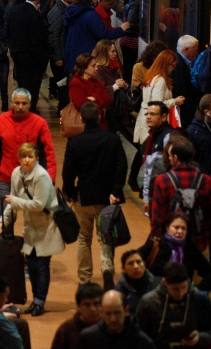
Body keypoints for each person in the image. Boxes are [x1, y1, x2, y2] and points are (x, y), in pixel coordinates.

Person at [62, 102, 127, 289]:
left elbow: (68, 172)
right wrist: (115, 191)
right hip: (107, 198)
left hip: (84, 197)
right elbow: (121, 166)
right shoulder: (112, 140)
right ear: (99, 117)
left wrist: (70, 192)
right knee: (106, 237)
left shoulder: (75, 143)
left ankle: (84, 279)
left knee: (84, 238)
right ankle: (107, 271)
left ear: (81, 118)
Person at [0, 142, 64, 316]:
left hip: (46, 227)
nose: (27, 160)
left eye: (30, 157)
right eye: (24, 157)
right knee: (33, 265)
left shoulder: (41, 176)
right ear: (19, 158)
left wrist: (14, 201)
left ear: (37, 158)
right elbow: (11, 203)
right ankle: (36, 300)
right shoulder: (15, 174)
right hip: (30, 227)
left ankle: (39, 302)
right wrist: (3, 221)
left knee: (42, 265)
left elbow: (38, 204)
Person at [0, 89, 58, 219]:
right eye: (17, 103)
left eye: (24, 103)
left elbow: (48, 154)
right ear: (11, 103)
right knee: (5, 219)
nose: (20, 107)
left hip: (34, 180)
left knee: (36, 218)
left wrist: (50, 181)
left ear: (30, 104)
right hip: (6, 179)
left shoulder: (40, 123)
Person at [149, 135, 211, 253]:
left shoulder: (163, 180)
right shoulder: (205, 180)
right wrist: (208, 237)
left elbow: (157, 218)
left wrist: (158, 240)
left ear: (175, 158)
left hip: (170, 246)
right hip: (199, 245)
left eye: (170, 156)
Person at [135, 262, 211, 349]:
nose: (180, 293)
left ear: (187, 281)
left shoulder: (201, 300)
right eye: (175, 289)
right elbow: (138, 336)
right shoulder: (148, 302)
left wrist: (201, 338)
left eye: (184, 287)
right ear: (165, 282)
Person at [139, 210, 211, 289]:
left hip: (182, 297)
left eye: (183, 229)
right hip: (156, 296)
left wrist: (199, 290)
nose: (180, 231)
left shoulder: (190, 249)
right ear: (167, 227)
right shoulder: (155, 245)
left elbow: (210, 273)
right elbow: (131, 260)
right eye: (176, 227)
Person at [63, 0, 129, 76]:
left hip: (73, 57)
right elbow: (103, 34)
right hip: (86, 58)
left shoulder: (73, 11)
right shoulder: (90, 15)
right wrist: (121, 30)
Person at [5, 0, 50, 112]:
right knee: (32, 93)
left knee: (22, 89)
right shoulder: (35, 15)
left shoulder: (14, 11)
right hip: (33, 63)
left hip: (18, 59)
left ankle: (20, 113)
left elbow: (7, 32)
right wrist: (41, 63)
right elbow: (38, 41)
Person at [133, 50, 185, 147]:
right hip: (154, 121)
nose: (173, 68)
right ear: (165, 64)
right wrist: (175, 101)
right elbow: (157, 104)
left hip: (145, 117)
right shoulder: (160, 80)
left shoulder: (150, 75)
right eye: (172, 65)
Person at [78, 290, 155, 349]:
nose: (113, 319)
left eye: (117, 313)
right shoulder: (88, 338)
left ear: (126, 311)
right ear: (101, 312)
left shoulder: (143, 343)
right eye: (108, 314)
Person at [50, 283, 104, 349]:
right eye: (87, 305)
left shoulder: (110, 327)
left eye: (96, 304)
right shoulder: (66, 330)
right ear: (78, 307)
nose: (93, 309)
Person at [69, 54, 114, 130]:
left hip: (101, 124)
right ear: (84, 68)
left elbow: (107, 100)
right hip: (83, 126)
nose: (96, 68)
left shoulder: (97, 82)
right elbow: (81, 104)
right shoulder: (76, 83)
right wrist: (99, 101)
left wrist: (93, 98)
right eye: (93, 66)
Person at [114, 250, 161, 314]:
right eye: (130, 263)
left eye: (139, 262)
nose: (136, 266)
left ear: (144, 265)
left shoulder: (158, 285)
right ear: (123, 269)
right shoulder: (118, 292)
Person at [171, 36, 202, 126]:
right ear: (185, 50)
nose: (196, 53)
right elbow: (181, 90)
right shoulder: (178, 65)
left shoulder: (180, 62)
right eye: (195, 50)